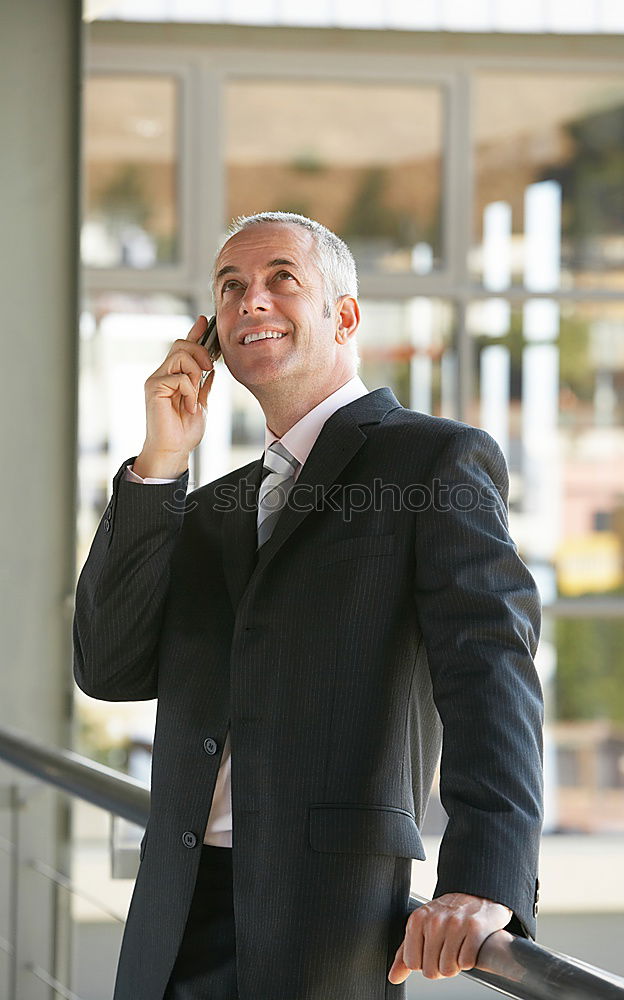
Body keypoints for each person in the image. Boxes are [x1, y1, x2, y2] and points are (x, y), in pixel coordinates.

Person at [73, 211, 543, 1000]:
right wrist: (158, 467)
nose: (250, 300)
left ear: (345, 316)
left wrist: (484, 878)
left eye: (280, 280)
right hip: (174, 910)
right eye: (230, 289)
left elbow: (490, 671)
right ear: (213, 333)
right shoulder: (214, 506)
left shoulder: (431, 459)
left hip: (326, 917)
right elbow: (110, 666)